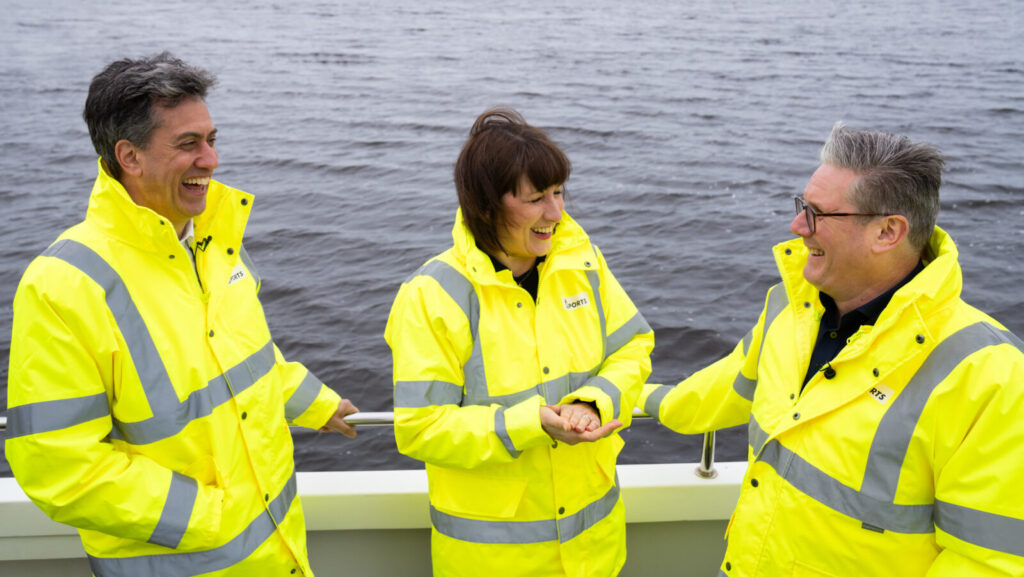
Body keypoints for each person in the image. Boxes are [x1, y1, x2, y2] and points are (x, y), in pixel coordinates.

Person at [5, 52, 360, 576]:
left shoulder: (214, 243)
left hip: (279, 556)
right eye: (188, 145)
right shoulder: (65, 285)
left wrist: (314, 403)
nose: (212, 161)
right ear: (130, 156)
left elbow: (248, 361)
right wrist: (213, 514)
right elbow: (58, 465)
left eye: (212, 140)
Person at [641, 123, 1024, 575]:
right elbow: (731, 384)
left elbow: (988, 561)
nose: (797, 225)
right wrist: (628, 395)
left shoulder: (991, 375)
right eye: (802, 205)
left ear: (887, 232)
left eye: (818, 213)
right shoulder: (792, 306)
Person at [384, 108, 654, 577]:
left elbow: (633, 348)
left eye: (558, 193)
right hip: (493, 563)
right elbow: (420, 427)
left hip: (596, 554)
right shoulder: (432, 295)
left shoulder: (584, 265)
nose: (556, 213)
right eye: (536, 199)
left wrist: (593, 401)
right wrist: (532, 424)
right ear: (487, 205)